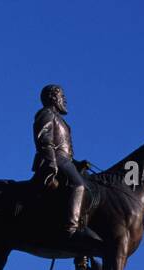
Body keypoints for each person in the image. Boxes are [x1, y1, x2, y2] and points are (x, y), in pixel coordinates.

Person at [32, 84, 102, 252]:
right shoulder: (46, 114)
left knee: (90, 189)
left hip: (65, 161)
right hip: (55, 160)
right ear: (52, 97)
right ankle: (70, 229)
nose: (64, 99)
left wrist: (77, 164)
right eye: (61, 95)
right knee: (79, 185)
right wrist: (51, 163)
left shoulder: (59, 119)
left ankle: (83, 253)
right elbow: (45, 141)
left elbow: (64, 150)